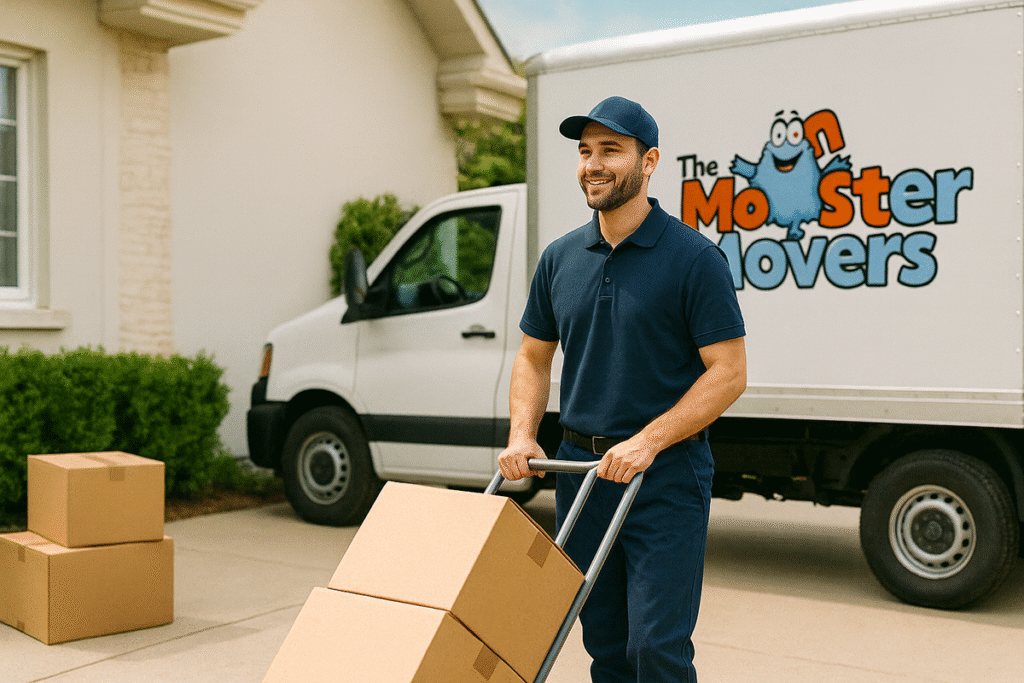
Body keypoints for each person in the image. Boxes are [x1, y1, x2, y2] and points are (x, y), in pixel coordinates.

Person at [498, 96, 747, 682]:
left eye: (611, 150)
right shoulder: (560, 258)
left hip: (665, 478)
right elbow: (533, 357)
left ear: (649, 162)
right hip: (580, 476)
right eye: (585, 152)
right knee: (605, 643)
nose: (593, 164)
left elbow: (729, 373)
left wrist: (647, 442)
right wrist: (522, 433)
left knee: (656, 648)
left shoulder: (694, 258)